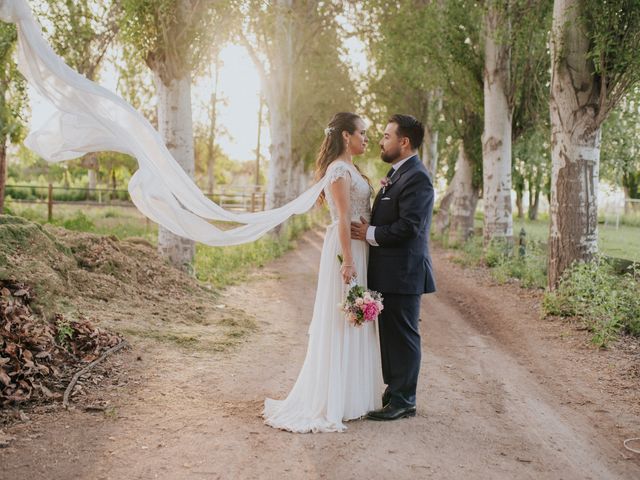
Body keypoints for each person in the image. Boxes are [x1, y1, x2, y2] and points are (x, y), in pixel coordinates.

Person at [263, 112, 383, 433]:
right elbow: (343, 217)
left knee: (355, 318)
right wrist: (347, 260)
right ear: (346, 135)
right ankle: (334, 399)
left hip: (358, 247)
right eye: (362, 133)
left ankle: (352, 396)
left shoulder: (351, 169)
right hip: (346, 249)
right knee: (345, 316)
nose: (366, 139)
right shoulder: (339, 170)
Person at [351, 114, 436, 421]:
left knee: (403, 335)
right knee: (389, 336)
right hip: (388, 273)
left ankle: (404, 400)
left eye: (386, 136)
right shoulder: (397, 173)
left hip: (404, 273)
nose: (381, 141)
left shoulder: (418, 177)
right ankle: (393, 393)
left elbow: (410, 227)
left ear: (404, 142)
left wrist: (369, 233)